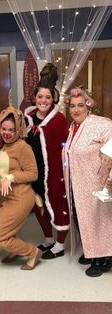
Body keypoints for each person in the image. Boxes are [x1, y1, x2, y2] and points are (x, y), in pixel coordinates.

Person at [0, 106, 42, 270]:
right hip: (6, 197)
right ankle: (14, 249)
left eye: (11, 130)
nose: (6, 133)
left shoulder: (23, 147)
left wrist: (11, 177)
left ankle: (32, 252)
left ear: (18, 130)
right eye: (3, 129)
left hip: (21, 198)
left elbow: (33, 174)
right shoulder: (2, 145)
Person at [63, 86, 112, 277]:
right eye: (72, 106)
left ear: (88, 106)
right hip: (79, 184)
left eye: (81, 105)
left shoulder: (102, 124)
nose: (76, 110)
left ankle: (103, 258)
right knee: (82, 218)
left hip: (97, 184)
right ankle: (93, 252)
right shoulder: (75, 127)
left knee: (99, 220)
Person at [24, 63, 69, 259]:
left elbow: (66, 147)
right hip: (35, 173)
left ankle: (60, 245)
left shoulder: (58, 120)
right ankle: (48, 239)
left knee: (59, 206)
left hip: (55, 173)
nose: (43, 100)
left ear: (53, 99)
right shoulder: (27, 119)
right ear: (35, 98)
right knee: (40, 206)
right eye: (40, 96)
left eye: (48, 97)